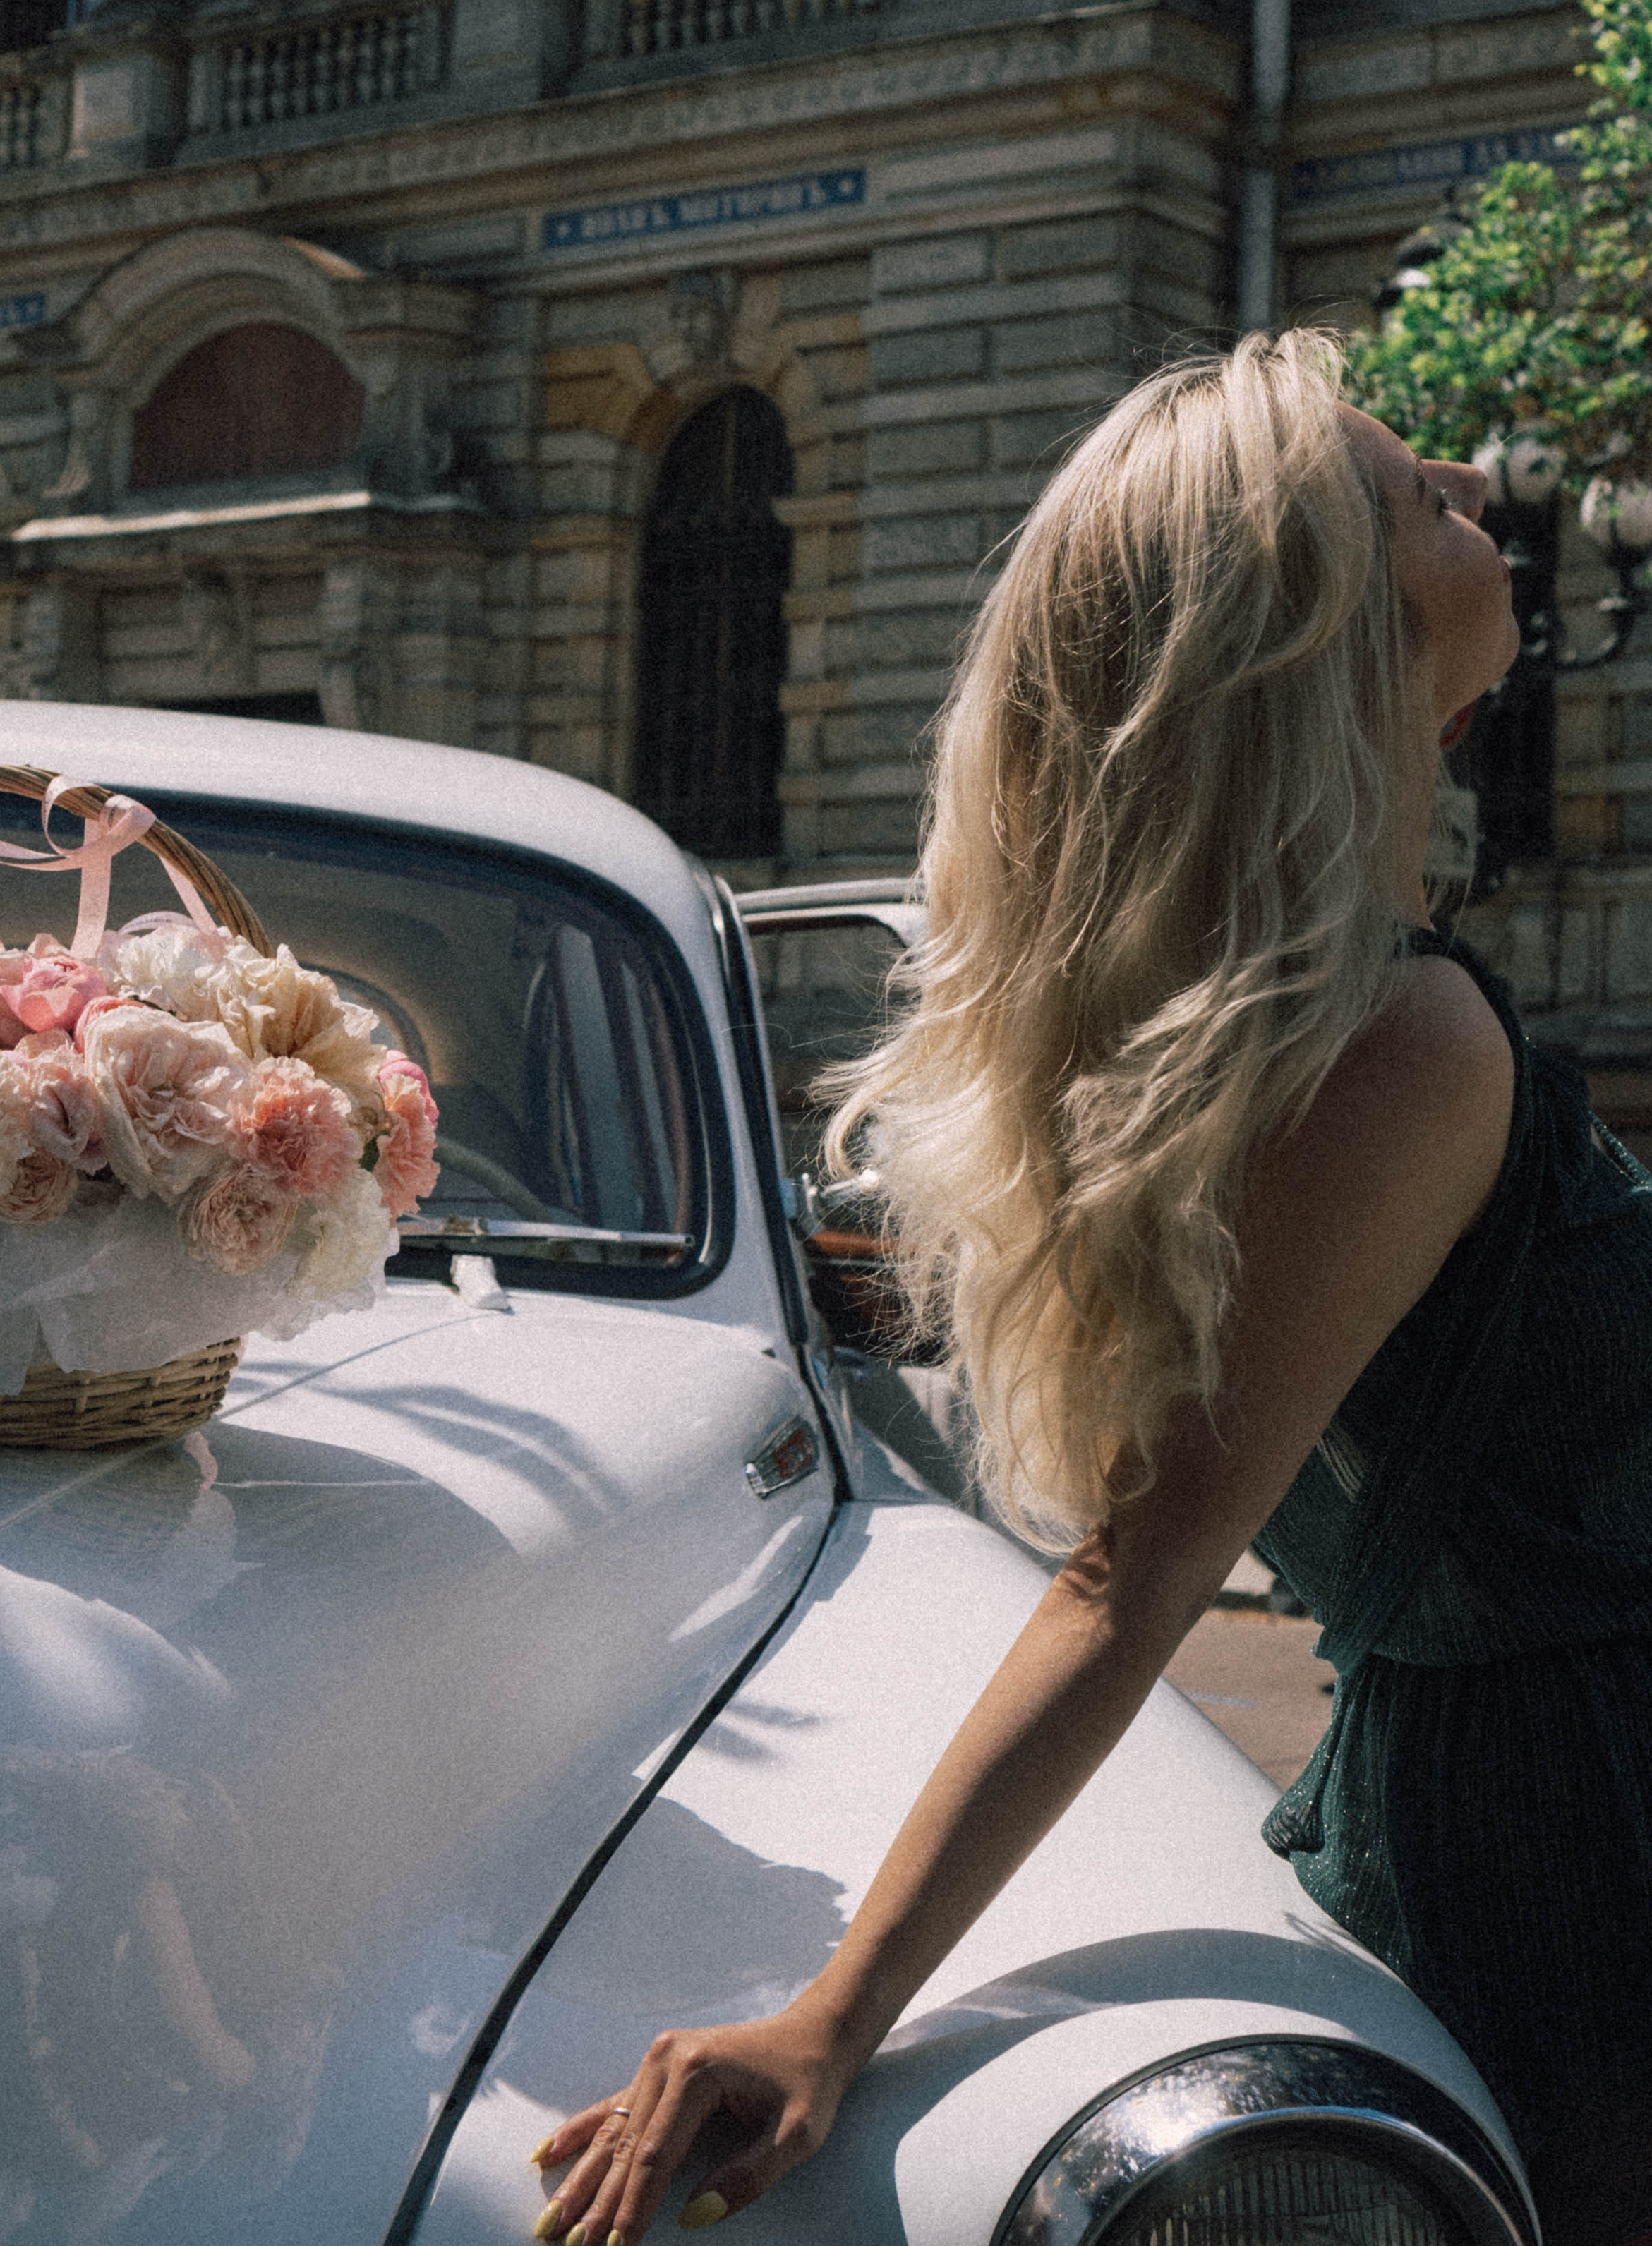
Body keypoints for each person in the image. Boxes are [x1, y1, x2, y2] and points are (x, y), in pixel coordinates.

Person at [529, 332, 1652, 2246]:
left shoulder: (1309, 1027)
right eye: (1416, 494)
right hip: (1593, 1850)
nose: (1479, 488)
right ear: (1323, 628)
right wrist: (830, 2018)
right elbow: (1129, 1580)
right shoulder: (1403, 1043)